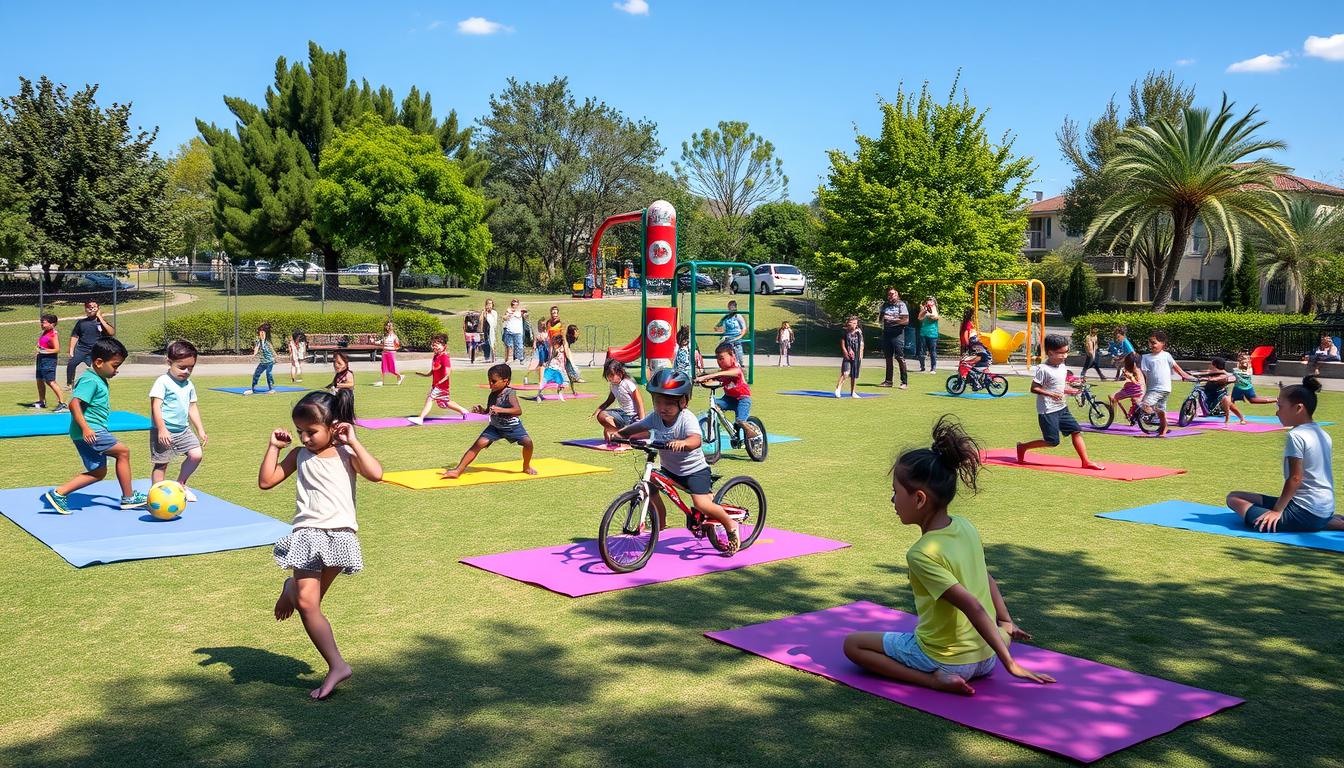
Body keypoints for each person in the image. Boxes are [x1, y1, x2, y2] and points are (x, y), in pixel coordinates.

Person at [842, 416, 1055, 696]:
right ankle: (983, 649)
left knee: (853, 644)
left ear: (919, 499)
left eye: (895, 492)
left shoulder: (920, 554)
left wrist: (1011, 664)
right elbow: (985, 577)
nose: (893, 500)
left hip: (949, 661)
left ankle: (933, 680)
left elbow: (972, 606)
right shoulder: (965, 526)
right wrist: (1006, 622)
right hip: (987, 657)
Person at [261, 388, 383, 700]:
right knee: (307, 604)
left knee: (309, 604)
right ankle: (337, 665)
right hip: (308, 534)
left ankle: (291, 589)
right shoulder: (299, 455)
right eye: (300, 431)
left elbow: (376, 474)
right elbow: (266, 481)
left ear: (333, 426)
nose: (304, 438)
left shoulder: (347, 454)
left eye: (311, 431)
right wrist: (274, 447)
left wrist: (354, 441)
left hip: (341, 537)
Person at [606, 369, 744, 554]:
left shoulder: (686, 418)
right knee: (650, 484)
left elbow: (696, 440)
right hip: (670, 470)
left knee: (702, 504)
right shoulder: (656, 417)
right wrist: (620, 434)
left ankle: (730, 524)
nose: (662, 408)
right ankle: (660, 522)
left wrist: (684, 443)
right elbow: (637, 427)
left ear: (683, 402)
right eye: (657, 402)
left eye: (669, 404)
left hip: (694, 472)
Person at [42, 338, 148, 513]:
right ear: (99, 362)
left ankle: (59, 493)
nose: (116, 370)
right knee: (123, 452)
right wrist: (86, 428)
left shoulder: (97, 378)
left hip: (84, 432)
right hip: (91, 431)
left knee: (99, 472)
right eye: (115, 366)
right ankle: (128, 498)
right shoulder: (90, 380)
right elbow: (73, 404)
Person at [1226, 377, 1344, 533]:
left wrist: (1277, 511)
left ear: (1298, 408)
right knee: (1236, 495)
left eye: (1280, 407)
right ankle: (1325, 521)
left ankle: (1324, 523)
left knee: (1233, 500)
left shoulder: (1296, 435)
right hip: (1324, 509)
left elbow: (1295, 478)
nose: (1276, 412)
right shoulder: (1322, 433)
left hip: (1306, 511)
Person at [1016, 334, 1104, 470]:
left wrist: (1071, 390)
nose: (1065, 356)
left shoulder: (1062, 366)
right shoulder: (1043, 369)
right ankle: (1022, 447)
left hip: (1062, 408)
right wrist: (1050, 394)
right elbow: (1034, 388)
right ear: (1050, 353)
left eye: (1066, 352)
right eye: (1061, 353)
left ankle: (1086, 462)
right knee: (1052, 441)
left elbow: (1059, 386)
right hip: (1048, 411)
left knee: (1076, 431)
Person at [441, 363, 535, 478]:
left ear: (506, 381)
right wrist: (482, 411)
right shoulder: (493, 394)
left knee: (528, 443)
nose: (490, 384)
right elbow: (490, 410)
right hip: (495, 427)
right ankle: (457, 471)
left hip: (512, 427)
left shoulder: (509, 393)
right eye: (489, 380)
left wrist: (500, 410)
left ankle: (526, 466)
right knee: (478, 444)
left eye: (494, 381)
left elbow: (517, 411)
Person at [149, 340, 207, 500]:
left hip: (183, 430)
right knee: (162, 464)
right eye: (182, 367)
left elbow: (192, 407)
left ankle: (181, 484)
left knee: (196, 455)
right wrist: (162, 429)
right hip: (164, 431)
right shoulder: (163, 381)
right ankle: (156, 496)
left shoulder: (189, 385)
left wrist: (200, 430)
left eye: (191, 368)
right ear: (169, 362)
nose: (186, 371)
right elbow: (156, 406)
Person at [695, 343, 760, 441]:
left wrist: (707, 376)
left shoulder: (736, 370)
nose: (719, 362)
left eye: (722, 358)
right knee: (714, 405)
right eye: (717, 359)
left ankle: (753, 435)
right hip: (728, 399)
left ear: (732, 356)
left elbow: (722, 374)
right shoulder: (723, 373)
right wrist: (701, 380)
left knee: (740, 421)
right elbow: (717, 380)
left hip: (742, 399)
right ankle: (714, 427)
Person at [1138, 330, 1192, 437]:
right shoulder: (1146, 357)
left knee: (1145, 405)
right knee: (1160, 409)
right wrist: (1144, 390)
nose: (1151, 345)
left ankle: (1152, 420)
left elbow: (1177, 368)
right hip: (1156, 389)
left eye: (1154, 343)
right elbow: (1144, 376)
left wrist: (1186, 376)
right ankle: (1163, 429)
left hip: (1161, 388)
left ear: (1162, 344)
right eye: (1150, 343)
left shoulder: (1166, 355)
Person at [409, 333, 469, 424]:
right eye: (433, 345)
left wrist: (440, 382)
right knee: (444, 403)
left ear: (444, 346)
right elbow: (432, 372)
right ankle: (463, 411)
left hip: (441, 386)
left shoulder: (444, 357)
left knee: (430, 398)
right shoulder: (435, 356)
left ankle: (420, 418)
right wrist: (422, 374)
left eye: (437, 344)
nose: (434, 347)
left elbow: (448, 374)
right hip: (436, 385)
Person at [66, 300, 115, 390]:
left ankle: (102, 384)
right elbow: (74, 336)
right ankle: (69, 384)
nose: (91, 309)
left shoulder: (102, 323)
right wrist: (71, 350)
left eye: (94, 307)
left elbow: (111, 332)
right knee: (72, 363)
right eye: (89, 307)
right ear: (85, 309)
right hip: (82, 349)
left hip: (96, 350)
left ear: (98, 308)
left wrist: (100, 317)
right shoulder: (81, 323)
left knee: (100, 367)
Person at [594, 359, 646, 435]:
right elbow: (610, 400)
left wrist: (642, 423)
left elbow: (639, 402)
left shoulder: (627, 383)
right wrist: (599, 410)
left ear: (620, 373)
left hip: (631, 417)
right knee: (602, 417)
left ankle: (619, 434)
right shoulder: (613, 385)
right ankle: (617, 433)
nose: (610, 378)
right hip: (622, 415)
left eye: (612, 375)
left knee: (607, 428)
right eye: (608, 376)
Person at [30, 314, 66, 411]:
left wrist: (43, 351)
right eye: (41, 322)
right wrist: (39, 349)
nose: (42, 324)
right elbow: (43, 345)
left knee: (50, 381)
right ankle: (42, 402)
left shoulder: (53, 334)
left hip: (49, 361)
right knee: (39, 379)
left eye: (44, 323)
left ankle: (62, 403)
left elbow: (57, 349)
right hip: (41, 359)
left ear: (52, 324)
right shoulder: (45, 332)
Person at [1192, 357, 1242, 425]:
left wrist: (1209, 379)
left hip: (1218, 394)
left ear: (1215, 365)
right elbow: (1200, 374)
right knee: (1200, 397)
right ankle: (1193, 412)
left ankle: (1236, 418)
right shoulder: (1212, 371)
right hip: (1208, 391)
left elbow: (1226, 378)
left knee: (1228, 403)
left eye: (1211, 364)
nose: (1210, 365)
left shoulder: (1223, 374)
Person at [878, 288, 910, 389]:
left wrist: (893, 321)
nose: (891, 296)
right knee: (888, 357)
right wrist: (882, 319)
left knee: (899, 357)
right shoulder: (885, 305)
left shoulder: (901, 305)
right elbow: (881, 318)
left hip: (897, 334)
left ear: (897, 295)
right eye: (889, 294)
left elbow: (906, 321)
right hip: (887, 333)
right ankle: (888, 381)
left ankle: (904, 382)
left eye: (893, 294)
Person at [538, 329, 572, 401]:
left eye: (555, 341)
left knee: (563, 383)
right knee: (544, 381)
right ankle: (539, 394)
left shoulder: (563, 346)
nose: (554, 343)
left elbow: (566, 348)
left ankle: (560, 393)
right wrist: (547, 363)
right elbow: (550, 356)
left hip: (560, 368)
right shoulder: (552, 346)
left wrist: (563, 333)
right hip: (552, 367)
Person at [834, 315, 864, 398]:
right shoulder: (844, 332)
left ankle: (853, 392)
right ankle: (838, 389)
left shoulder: (859, 332)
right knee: (845, 373)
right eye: (851, 323)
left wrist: (861, 355)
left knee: (854, 374)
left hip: (857, 355)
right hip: (848, 354)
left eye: (855, 323)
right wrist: (845, 352)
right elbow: (843, 344)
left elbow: (861, 343)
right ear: (848, 323)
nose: (853, 325)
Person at [1110, 352, 1147, 418]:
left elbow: (1136, 382)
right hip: (1140, 390)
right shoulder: (1139, 369)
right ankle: (1132, 415)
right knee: (1135, 404)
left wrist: (1130, 377)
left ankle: (1112, 416)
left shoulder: (1135, 370)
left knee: (1112, 397)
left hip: (1134, 390)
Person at [244, 322, 277, 395]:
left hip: (270, 361)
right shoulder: (258, 341)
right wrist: (254, 355)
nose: (261, 334)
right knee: (256, 374)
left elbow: (272, 350)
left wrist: (276, 358)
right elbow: (256, 348)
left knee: (268, 374)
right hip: (262, 362)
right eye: (260, 332)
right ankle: (253, 388)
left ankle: (272, 389)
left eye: (263, 332)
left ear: (266, 333)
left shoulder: (268, 342)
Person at [715, 301, 746, 367]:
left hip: (736, 337)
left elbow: (744, 328)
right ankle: (724, 364)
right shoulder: (726, 317)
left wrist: (739, 336)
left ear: (735, 307)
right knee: (720, 350)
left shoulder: (738, 316)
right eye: (729, 307)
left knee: (738, 352)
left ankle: (739, 363)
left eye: (732, 307)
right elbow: (716, 327)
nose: (731, 309)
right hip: (727, 338)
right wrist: (722, 331)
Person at [374, 320, 404, 387]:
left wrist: (395, 347)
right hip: (385, 352)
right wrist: (375, 342)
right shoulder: (385, 336)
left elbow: (398, 345)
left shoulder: (394, 336)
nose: (388, 327)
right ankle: (381, 381)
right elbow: (382, 342)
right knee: (383, 368)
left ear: (392, 327)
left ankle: (400, 376)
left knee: (392, 368)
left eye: (389, 325)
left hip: (391, 353)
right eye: (387, 325)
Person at [916, 297, 939, 373]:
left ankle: (933, 368)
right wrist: (924, 311)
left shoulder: (935, 310)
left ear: (934, 303)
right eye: (928, 301)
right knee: (921, 351)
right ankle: (922, 367)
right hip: (923, 333)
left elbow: (935, 317)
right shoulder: (924, 309)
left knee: (932, 352)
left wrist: (929, 314)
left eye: (931, 301)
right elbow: (919, 318)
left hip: (933, 334)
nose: (929, 302)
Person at [525, 318, 550, 386]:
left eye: (544, 325)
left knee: (544, 365)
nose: (543, 326)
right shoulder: (538, 333)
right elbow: (535, 342)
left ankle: (543, 378)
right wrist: (534, 347)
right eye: (541, 325)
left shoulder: (547, 332)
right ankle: (527, 376)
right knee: (536, 365)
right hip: (539, 350)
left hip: (546, 350)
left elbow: (549, 341)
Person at [502, 299, 526, 364]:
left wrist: (523, 313)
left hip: (518, 331)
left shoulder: (520, 311)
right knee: (509, 345)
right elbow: (504, 318)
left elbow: (526, 316)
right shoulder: (508, 311)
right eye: (513, 304)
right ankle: (510, 359)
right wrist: (508, 315)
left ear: (518, 305)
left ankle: (521, 358)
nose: (514, 306)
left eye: (516, 304)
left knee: (519, 346)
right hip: (509, 330)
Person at [481, 299, 499, 363]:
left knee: (492, 342)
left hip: (492, 329)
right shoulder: (484, 312)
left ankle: (493, 356)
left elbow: (495, 322)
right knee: (486, 343)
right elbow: (481, 320)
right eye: (488, 303)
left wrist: (490, 312)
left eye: (490, 303)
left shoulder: (494, 312)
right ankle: (487, 356)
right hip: (485, 329)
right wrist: (484, 313)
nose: (489, 305)